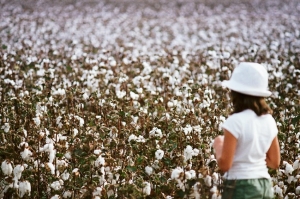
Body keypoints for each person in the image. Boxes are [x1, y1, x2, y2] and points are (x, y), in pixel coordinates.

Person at [213, 62, 281, 199]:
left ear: (235, 93)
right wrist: (252, 155)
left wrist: (219, 145)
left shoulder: (235, 121)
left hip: (240, 186)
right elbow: (274, 162)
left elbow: (225, 165)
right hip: (265, 185)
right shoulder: (269, 121)